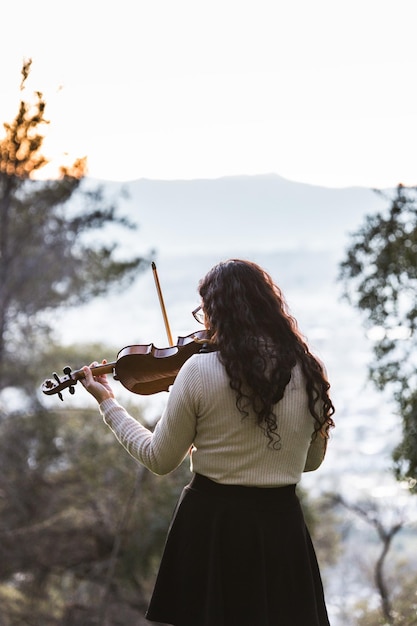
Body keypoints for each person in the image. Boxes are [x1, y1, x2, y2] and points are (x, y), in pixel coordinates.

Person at [81, 258, 335, 626]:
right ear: (268, 306)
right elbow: (310, 462)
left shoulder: (198, 370)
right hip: (280, 528)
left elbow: (159, 458)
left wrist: (108, 403)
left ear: (214, 312)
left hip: (212, 527)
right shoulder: (309, 369)